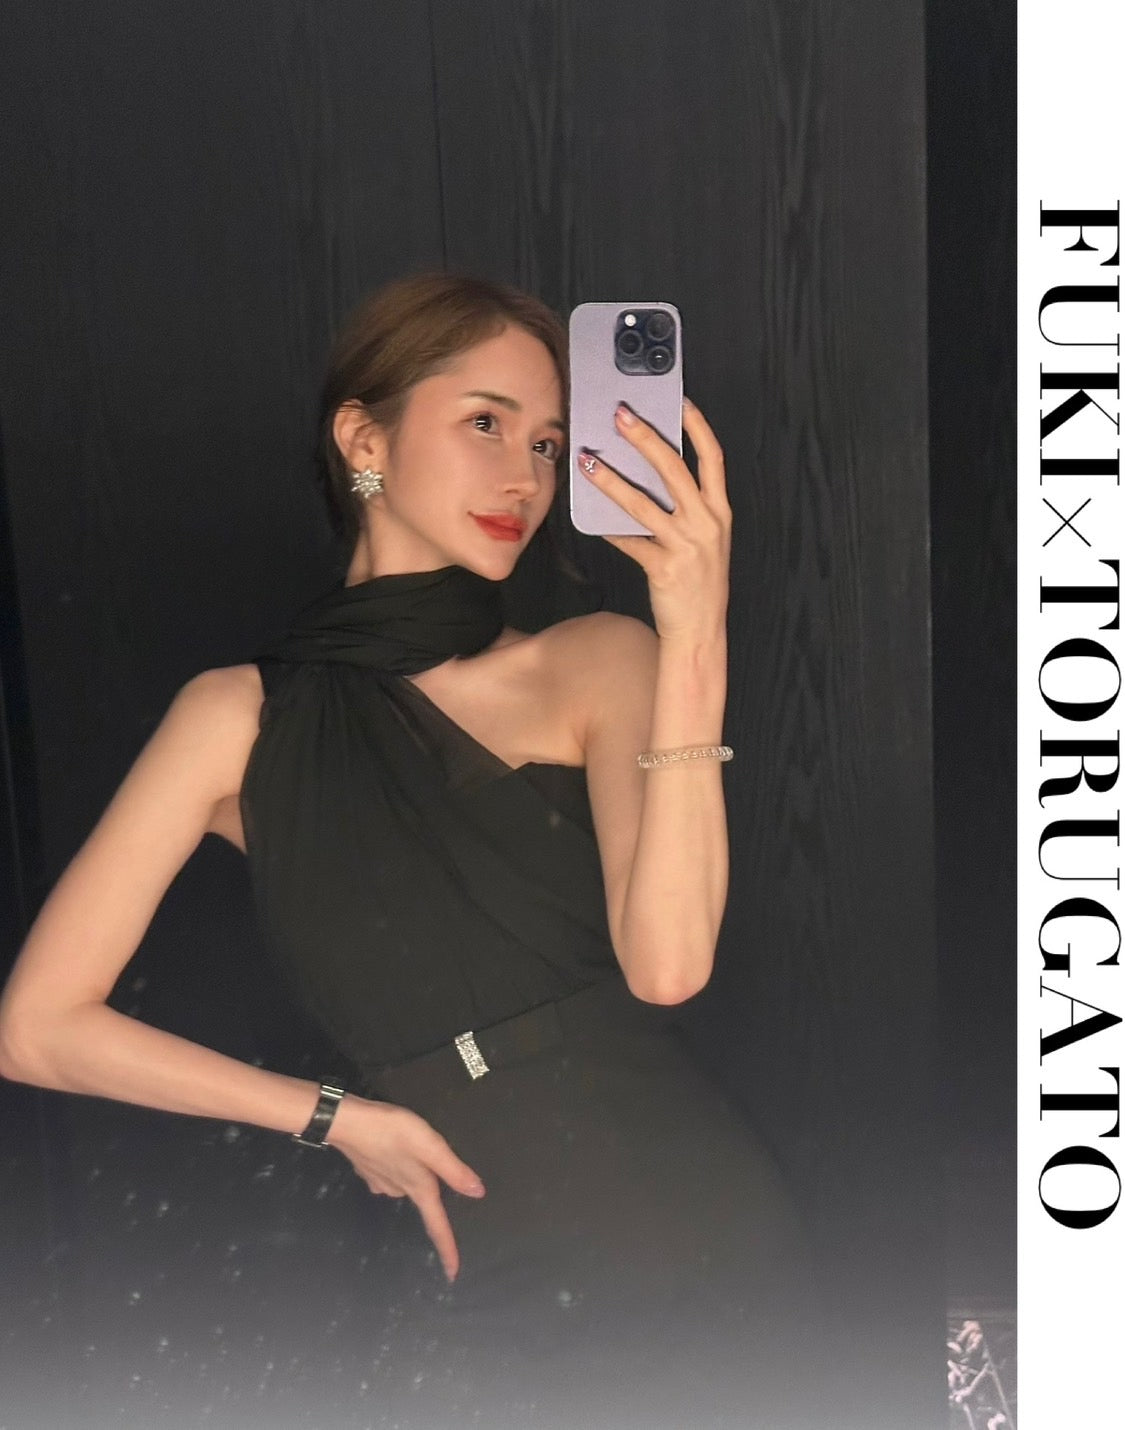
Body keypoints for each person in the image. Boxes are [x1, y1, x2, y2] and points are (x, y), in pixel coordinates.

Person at [0, 272, 825, 1429]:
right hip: (480, 1286)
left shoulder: (595, 658)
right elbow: (36, 1028)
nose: (523, 476)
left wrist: (695, 632)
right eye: (485, 421)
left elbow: (668, 965)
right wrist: (335, 1115)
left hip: (695, 1241)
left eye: (547, 443)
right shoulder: (236, 718)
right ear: (363, 438)